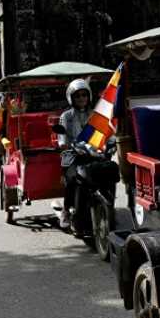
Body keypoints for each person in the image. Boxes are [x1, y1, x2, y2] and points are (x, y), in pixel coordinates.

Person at [57, 78, 93, 229]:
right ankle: (66, 210)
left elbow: (104, 133)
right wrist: (65, 144)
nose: (81, 98)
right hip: (71, 155)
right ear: (71, 98)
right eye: (78, 96)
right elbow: (62, 139)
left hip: (91, 154)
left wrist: (110, 142)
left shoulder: (94, 114)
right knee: (72, 179)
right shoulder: (66, 116)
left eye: (84, 95)